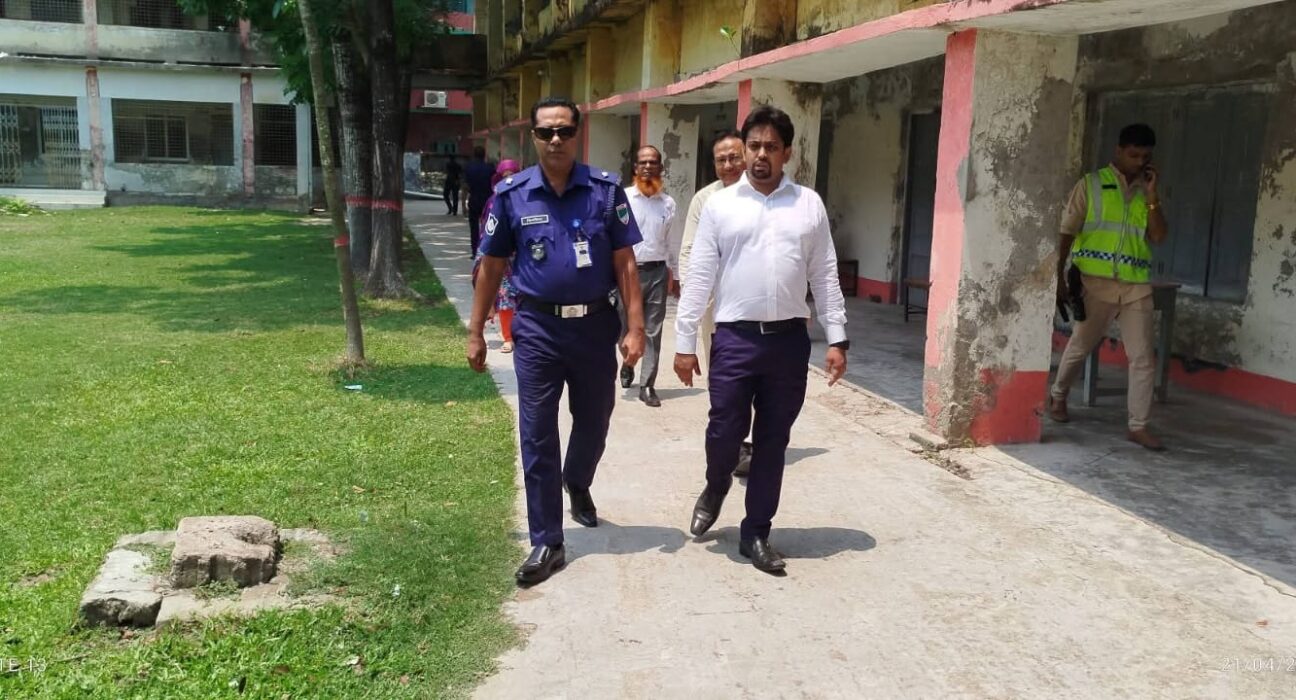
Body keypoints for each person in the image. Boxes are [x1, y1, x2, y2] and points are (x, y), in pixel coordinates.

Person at [467, 97, 646, 586]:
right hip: (538, 330)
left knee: (595, 419)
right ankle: (547, 540)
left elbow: (626, 264)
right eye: (546, 132)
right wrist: (476, 330)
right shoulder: (512, 195)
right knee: (537, 432)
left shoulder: (605, 192)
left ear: (577, 135)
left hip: (594, 327)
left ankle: (578, 480)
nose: (555, 140)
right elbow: (492, 266)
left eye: (564, 131)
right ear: (534, 137)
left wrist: (635, 328)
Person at [674, 105, 848, 574]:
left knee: (773, 441)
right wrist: (684, 341)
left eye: (771, 146)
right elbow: (699, 276)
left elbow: (824, 274)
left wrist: (837, 338)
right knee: (724, 432)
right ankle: (716, 484)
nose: (761, 155)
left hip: (788, 344)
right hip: (734, 338)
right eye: (754, 146)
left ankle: (756, 532)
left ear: (787, 152)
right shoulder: (720, 206)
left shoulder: (807, 205)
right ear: (744, 149)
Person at [1048, 123, 1169, 451]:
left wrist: (1153, 197)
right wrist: (1058, 276)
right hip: (1094, 281)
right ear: (1118, 151)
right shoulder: (1091, 184)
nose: (1139, 162)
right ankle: (1058, 395)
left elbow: (1158, 236)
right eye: (1133, 155)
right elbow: (1066, 232)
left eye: (1145, 157)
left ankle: (1138, 425)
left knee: (1143, 357)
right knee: (1081, 345)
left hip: (1135, 284)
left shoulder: (1147, 191)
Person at [678, 130, 753, 475]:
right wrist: (691, 298)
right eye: (721, 160)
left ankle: (748, 440)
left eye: (734, 157)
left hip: (758, 303)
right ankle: (734, 440)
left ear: (747, 155)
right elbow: (689, 250)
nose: (728, 165)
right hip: (716, 304)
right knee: (724, 373)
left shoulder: (766, 195)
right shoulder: (704, 199)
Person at [618, 145, 677, 407]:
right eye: (643, 162)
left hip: (657, 272)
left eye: (653, 162)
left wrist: (675, 273)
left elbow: (671, 241)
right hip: (627, 273)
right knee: (624, 328)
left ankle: (647, 385)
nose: (648, 167)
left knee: (653, 330)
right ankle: (628, 361)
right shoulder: (623, 199)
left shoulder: (668, 203)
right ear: (635, 167)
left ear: (661, 168)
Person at [472, 159, 522, 352]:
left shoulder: (528, 199)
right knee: (505, 296)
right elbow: (487, 230)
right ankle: (508, 337)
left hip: (524, 258)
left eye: (513, 175)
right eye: (505, 176)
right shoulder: (495, 201)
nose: (509, 180)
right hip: (501, 257)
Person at [464, 146, 496, 254]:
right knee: (487, 226)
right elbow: (494, 184)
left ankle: (474, 251)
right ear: (484, 155)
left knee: (473, 226)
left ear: (474, 155)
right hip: (487, 200)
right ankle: (485, 249)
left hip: (474, 199)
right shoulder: (490, 168)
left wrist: (463, 203)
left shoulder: (469, 167)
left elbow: (465, 186)